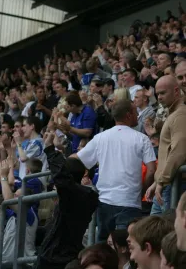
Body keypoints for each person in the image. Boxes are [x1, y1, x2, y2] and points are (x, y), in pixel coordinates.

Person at [76, 100, 156, 241]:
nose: (138, 115)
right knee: (126, 247)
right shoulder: (142, 139)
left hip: (104, 202)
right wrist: (141, 192)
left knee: (104, 250)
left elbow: (78, 160)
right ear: (128, 114)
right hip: (130, 202)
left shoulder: (100, 137)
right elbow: (151, 170)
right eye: (135, 112)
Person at [34, 131, 98, 269]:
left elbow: (63, 179)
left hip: (56, 258)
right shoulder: (85, 195)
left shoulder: (75, 195)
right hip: (62, 254)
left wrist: (50, 149)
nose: (55, 181)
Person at [0, 160, 38, 264]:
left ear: (26, 200)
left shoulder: (28, 214)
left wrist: (4, 177)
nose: (14, 196)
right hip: (5, 264)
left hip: (23, 265)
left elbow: (8, 200)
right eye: (14, 194)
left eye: (17, 196)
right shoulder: (12, 214)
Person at [148, 76, 186, 214]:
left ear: (176, 91)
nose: (159, 97)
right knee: (154, 232)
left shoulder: (180, 115)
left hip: (171, 186)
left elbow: (179, 151)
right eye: (157, 94)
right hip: (166, 185)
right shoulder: (175, 114)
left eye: (163, 93)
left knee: (162, 233)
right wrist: (157, 182)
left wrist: (162, 181)